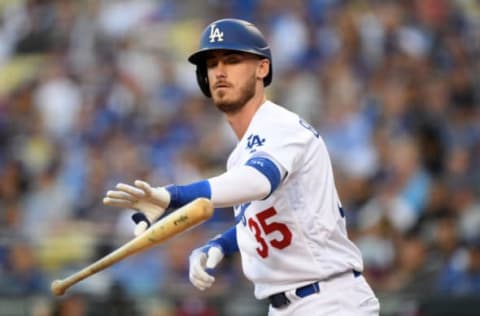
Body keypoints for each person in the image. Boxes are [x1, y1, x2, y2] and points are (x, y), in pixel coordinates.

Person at [103, 18, 380, 315]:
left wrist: (173, 195)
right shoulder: (239, 156)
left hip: (330, 300)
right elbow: (261, 219)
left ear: (262, 68)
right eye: (211, 64)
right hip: (289, 305)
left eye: (233, 60)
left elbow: (258, 182)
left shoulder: (280, 125)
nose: (220, 71)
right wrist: (219, 245)